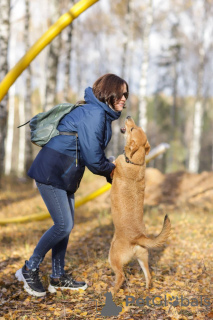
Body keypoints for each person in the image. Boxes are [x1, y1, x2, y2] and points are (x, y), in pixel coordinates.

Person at [15, 73, 129, 297]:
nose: (124, 98)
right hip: (52, 172)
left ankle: (57, 277)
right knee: (63, 225)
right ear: (108, 92)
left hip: (65, 175)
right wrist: (113, 172)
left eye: (126, 94)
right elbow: (94, 158)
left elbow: (93, 155)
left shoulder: (100, 115)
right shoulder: (94, 114)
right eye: (121, 93)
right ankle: (29, 268)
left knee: (65, 227)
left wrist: (111, 171)